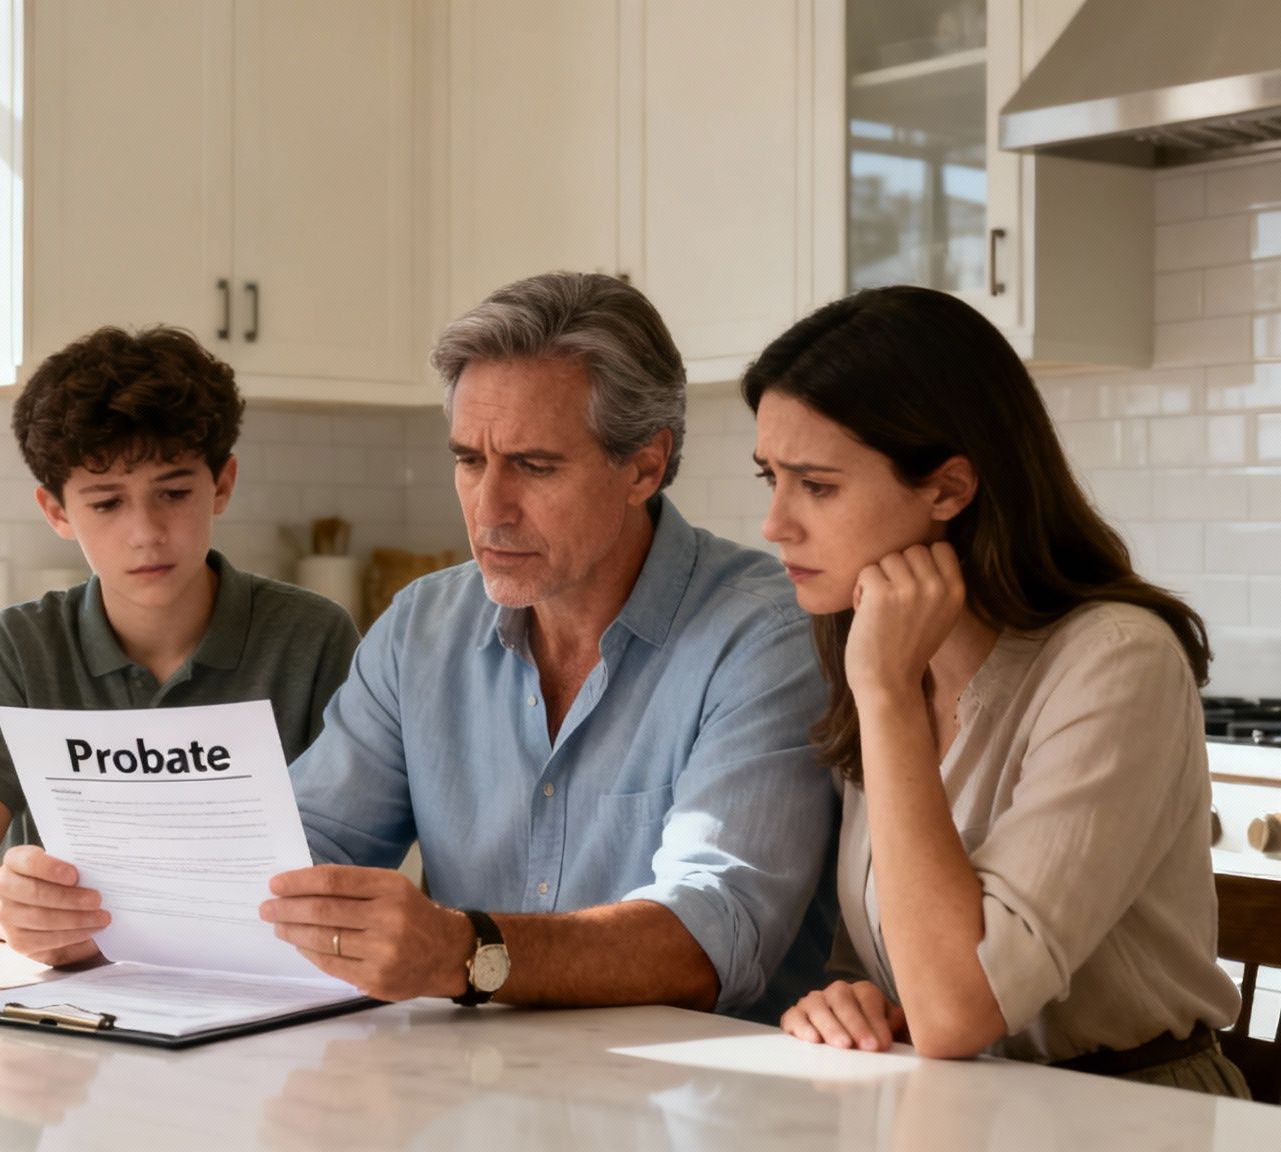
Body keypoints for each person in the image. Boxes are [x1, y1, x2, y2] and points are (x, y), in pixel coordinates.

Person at [259, 271, 838, 1018]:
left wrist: (463, 951)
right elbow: (306, 847)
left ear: (644, 466)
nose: (488, 510)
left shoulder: (766, 636)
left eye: (534, 466)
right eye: (469, 460)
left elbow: (713, 932)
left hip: (695, 1108)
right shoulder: (420, 627)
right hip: (473, 1097)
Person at [754, 286, 1248, 1096]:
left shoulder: (1119, 662)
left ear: (948, 489)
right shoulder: (879, 644)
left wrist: (881, 695)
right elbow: (890, 968)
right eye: (769, 476)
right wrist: (852, 1001)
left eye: (817, 485)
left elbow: (954, 1012)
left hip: (1134, 1119)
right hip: (961, 1109)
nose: (775, 522)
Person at [0, 325, 360, 964]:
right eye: (107, 503)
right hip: (75, 1007)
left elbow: (352, 867)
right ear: (57, 511)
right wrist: (7, 908)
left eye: (173, 493)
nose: (146, 533)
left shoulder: (312, 638)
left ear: (222, 484)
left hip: (260, 988)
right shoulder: (20, 647)